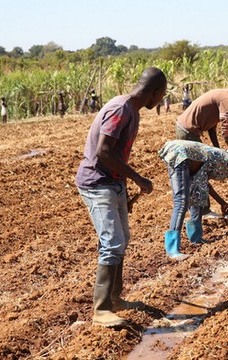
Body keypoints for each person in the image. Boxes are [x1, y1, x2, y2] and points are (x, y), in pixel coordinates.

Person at [75, 67, 167, 328]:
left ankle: (115, 298)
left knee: (121, 239)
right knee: (112, 242)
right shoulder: (120, 109)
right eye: (161, 96)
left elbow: (117, 155)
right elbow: (104, 152)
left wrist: (124, 191)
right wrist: (137, 178)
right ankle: (101, 309)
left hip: (113, 183)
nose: (160, 101)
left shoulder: (132, 112)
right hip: (97, 182)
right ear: (155, 93)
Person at [159, 140, 228, 259]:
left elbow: (205, 184)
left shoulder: (221, 159)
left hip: (185, 157)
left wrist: (222, 203)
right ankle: (172, 250)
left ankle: (196, 237)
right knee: (181, 201)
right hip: (181, 154)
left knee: (198, 195)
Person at [176, 74, 228, 148]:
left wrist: (217, 148)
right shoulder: (227, 99)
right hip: (188, 131)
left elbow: (211, 128)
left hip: (183, 128)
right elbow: (226, 133)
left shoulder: (224, 95)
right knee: (200, 162)